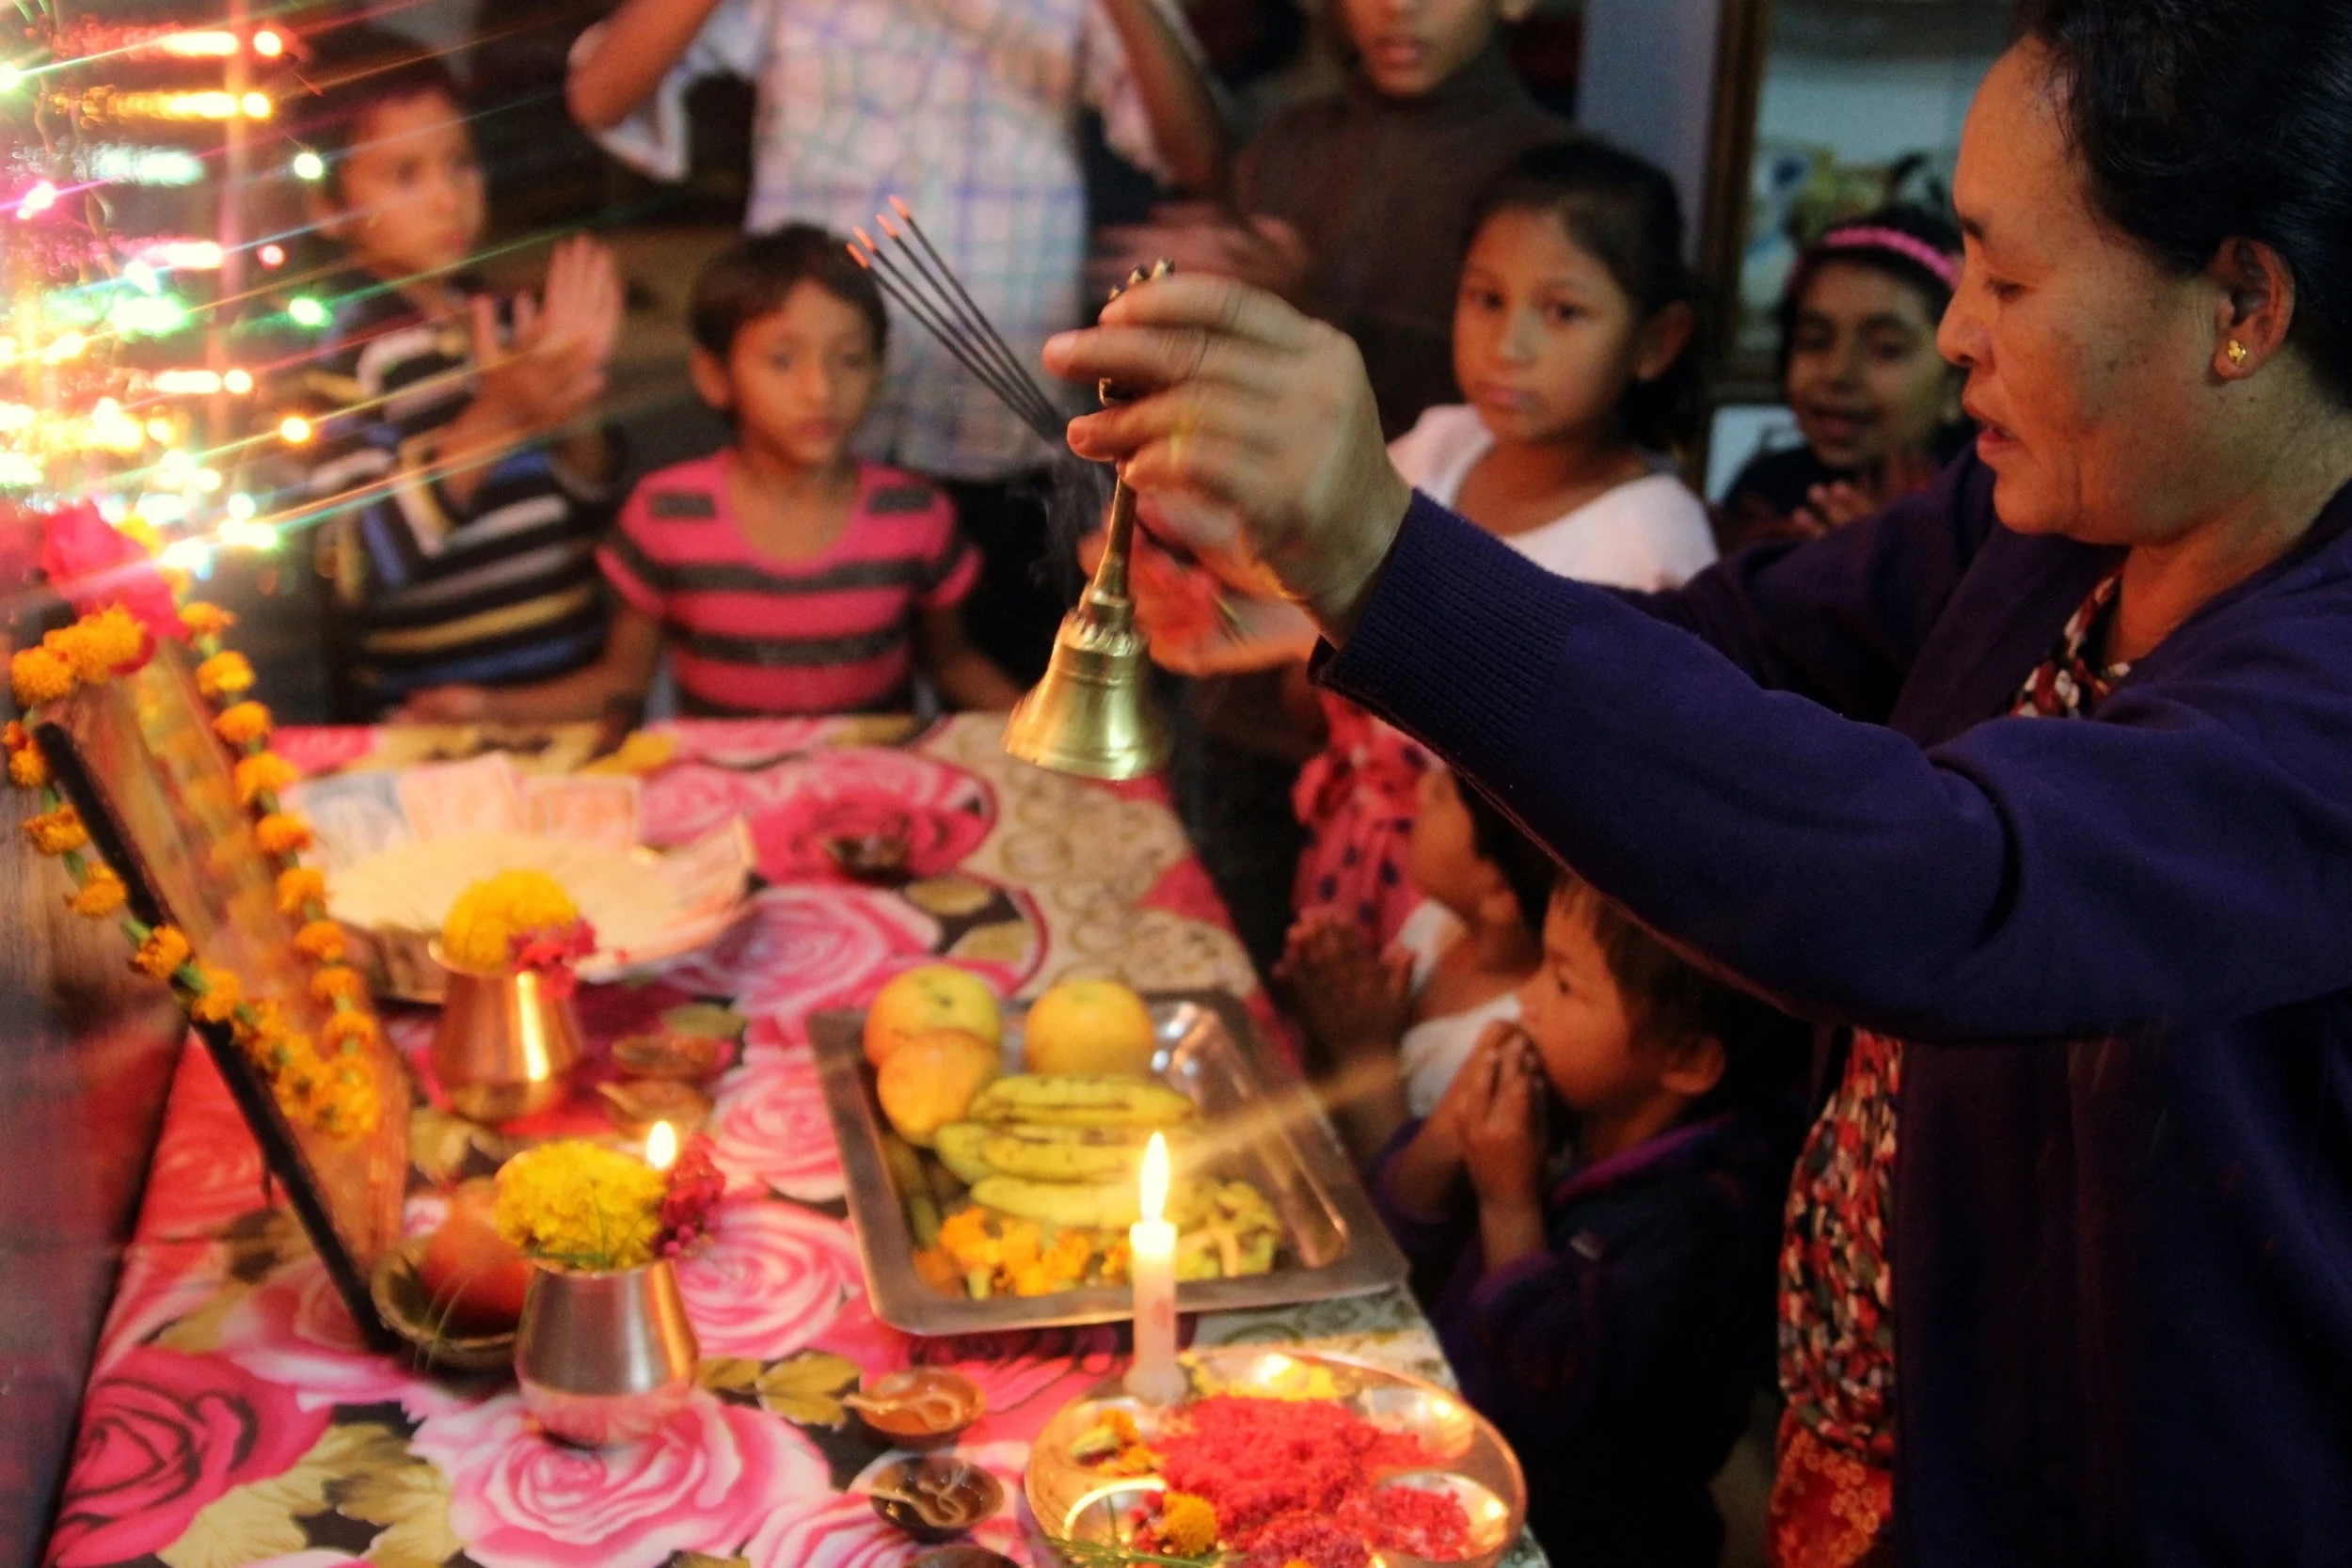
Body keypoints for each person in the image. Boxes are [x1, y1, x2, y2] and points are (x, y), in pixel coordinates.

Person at [1043, 0, 2352, 1559]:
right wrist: (1335, 593)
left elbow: (1951, 880)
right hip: (1886, 1433)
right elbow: (1730, 644)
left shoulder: (2320, 690)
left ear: (2243, 303)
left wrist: (1386, 557)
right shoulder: (2052, 525)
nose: (1957, 332)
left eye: (2007, 279)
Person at [564, 0, 1226, 685]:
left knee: (1014, 702)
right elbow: (600, 96)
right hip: (806, 434)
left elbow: (1197, 157)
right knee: (802, 697)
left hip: (997, 428)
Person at [400, 228, 1024, 724]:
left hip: (876, 808)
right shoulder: (666, 515)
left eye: (851, 359)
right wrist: (487, 707)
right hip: (727, 818)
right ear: (715, 376)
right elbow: (621, 684)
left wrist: (1052, 738)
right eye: (783, 359)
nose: (820, 389)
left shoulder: (917, 517)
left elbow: (954, 663)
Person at [1374, 874, 1804, 1565]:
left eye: (1565, 984)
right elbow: (1392, 1245)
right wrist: (1448, 1135)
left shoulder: (1703, 1221)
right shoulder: (1576, 1102)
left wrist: (1508, 1203)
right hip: (1454, 1471)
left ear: (1687, 1059)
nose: (1528, 999)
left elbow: (1549, 1405)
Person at [280, 27, 624, 721]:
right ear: (328, 208)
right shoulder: (340, 362)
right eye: (405, 175)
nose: (447, 198)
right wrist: (494, 421)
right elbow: (347, 567)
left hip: (561, 706)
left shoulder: (503, 322)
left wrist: (571, 401)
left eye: (460, 163)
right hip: (432, 730)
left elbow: (594, 509)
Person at [1097, 0, 1566, 436]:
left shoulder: (1547, 182)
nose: (1398, 7)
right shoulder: (1288, 145)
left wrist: (1302, 312)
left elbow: (1499, 414)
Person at [1281, 766, 1553, 1160]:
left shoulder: (1505, 1042)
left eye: (1441, 793)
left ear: (1498, 894)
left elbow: (1397, 1181)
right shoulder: (1442, 921)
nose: (1421, 786)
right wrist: (1331, 1005)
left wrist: (1362, 1047)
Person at [1719, 207, 1971, 549]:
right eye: (1815, 340)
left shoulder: (1984, 514)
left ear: (1957, 382)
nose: (1838, 373)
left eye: (1886, 348)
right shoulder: (1761, 493)